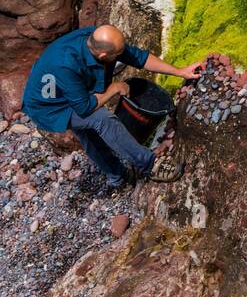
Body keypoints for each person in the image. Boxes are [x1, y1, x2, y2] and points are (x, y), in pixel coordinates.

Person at [21, 25, 201, 189]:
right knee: (101, 119)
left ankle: (117, 177)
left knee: (89, 132)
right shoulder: (65, 65)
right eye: (118, 54)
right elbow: (84, 108)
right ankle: (149, 165)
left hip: (69, 88)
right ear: (103, 56)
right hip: (50, 106)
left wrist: (180, 71)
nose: (123, 56)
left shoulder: (94, 37)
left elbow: (139, 57)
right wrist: (114, 88)